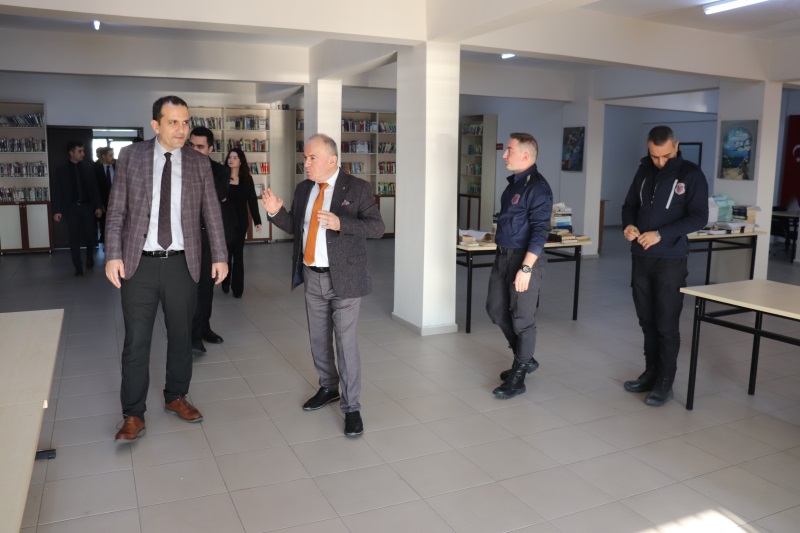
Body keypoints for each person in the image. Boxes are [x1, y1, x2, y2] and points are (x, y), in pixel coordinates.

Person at [104, 95, 229, 443]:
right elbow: (116, 209)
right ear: (155, 124)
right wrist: (113, 254)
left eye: (186, 122)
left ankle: (176, 395)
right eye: (173, 122)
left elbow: (211, 212)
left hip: (182, 263)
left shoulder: (198, 163)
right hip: (138, 264)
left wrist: (220, 255)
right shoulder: (132, 156)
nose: (181, 129)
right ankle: (133, 414)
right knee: (136, 342)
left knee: (181, 335)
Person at [261, 133, 384, 437]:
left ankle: (351, 407)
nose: (306, 163)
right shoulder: (304, 188)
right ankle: (328, 387)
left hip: (345, 278)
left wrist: (342, 224)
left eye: (312, 158)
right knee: (318, 339)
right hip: (312, 276)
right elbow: (296, 226)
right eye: (305, 158)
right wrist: (276, 212)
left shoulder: (357, 188)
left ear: (332, 160)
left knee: (345, 343)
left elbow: (377, 227)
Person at [621, 125, 708, 406]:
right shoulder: (643, 171)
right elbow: (629, 206)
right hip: (641, 258)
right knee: (647, 320)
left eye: (666, 156)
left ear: (676, 146)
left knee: (666, 324)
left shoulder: (691, 175)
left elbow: (699, 217)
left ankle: (665, 382)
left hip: (670, 261)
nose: (660, 162)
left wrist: (660, 234)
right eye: (654, 156)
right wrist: (628, 225)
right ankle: (651, 373)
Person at [487, 133, 553, 400]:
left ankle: (519, 375)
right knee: (495, 310)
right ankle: (525, 359)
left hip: (524, 260)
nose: (504, 154)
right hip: (503, 256)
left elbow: (540, 231)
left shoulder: (538, 188)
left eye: (509, 150)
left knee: (523, 320)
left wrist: (525, 269)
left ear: (525, 155)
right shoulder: (513, 185)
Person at [188, 127, 230, 354]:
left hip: (208, 237)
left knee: (206, 287)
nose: (194, 150)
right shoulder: (177, 168)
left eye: (200, 147)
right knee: (190, 289)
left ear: (210, 149)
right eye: (191, 146)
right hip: (184, 238)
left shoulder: (220, 170)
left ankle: (204, 328)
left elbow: (219, 194)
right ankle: (192, 336)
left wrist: (202, 167)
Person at [52, 140, 103, 276]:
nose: (83, 154)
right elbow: (57, 191)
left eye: (83, 151)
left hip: (87, 208)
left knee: (90, 237)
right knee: (74, 239)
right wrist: (56, 210)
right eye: (79, 151)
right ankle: (78, 268)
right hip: (71, 209)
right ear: (71, 152)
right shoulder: (61, 170)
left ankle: (89, 257)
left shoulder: (88, 168)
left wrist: (98, 206)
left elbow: (95, 188)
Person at [221, 147, 262, 298]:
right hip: (225, 223)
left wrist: (257, 221)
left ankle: (237, 288)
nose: (231, 160)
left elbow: (252, 201)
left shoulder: (247, 179)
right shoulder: (222, 177)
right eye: (229, 157)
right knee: (226, 255)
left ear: (240, 161)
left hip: (240, 223)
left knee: (238, 256)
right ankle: (225, 282)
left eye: (235, 157)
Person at [94, 146, 115, 244]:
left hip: (116, 201)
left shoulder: (117, 165)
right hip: (103, 201)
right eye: (110, 155)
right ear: (103, 156)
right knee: (104, 224)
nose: (113, 157)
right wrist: (99, 204)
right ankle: (106, 244)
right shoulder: (95, 168)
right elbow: (95, 187)